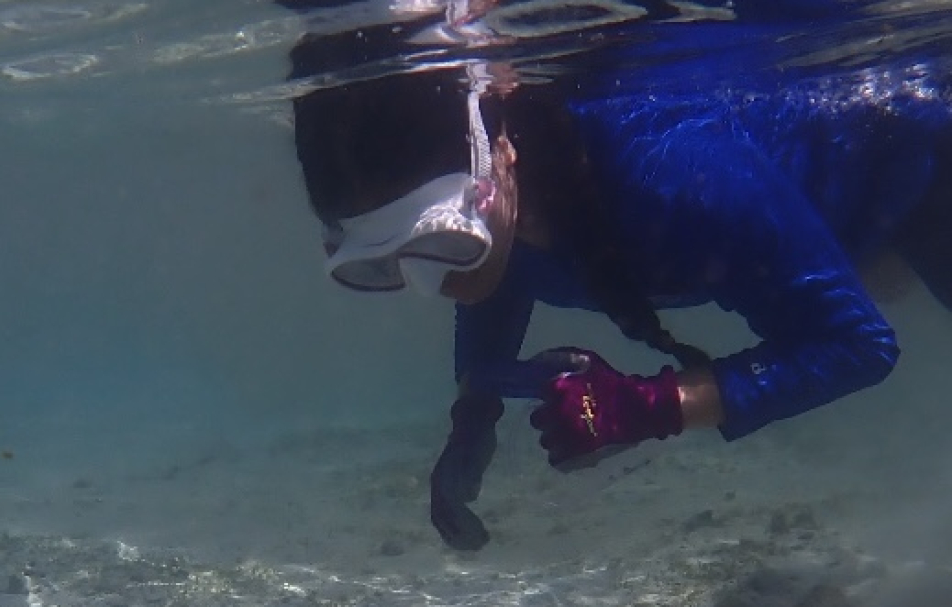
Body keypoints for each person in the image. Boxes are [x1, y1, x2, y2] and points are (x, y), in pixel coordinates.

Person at [283, 2, 952, 550]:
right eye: (385, 262)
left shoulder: (667, 175)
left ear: (503, 150)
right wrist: (473, 414)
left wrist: (645, 407)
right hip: (841, 218)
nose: (432, 283)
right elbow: (493, 282)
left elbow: (856, 344)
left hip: (925, 167)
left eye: (440, 240)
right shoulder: (510, 207)